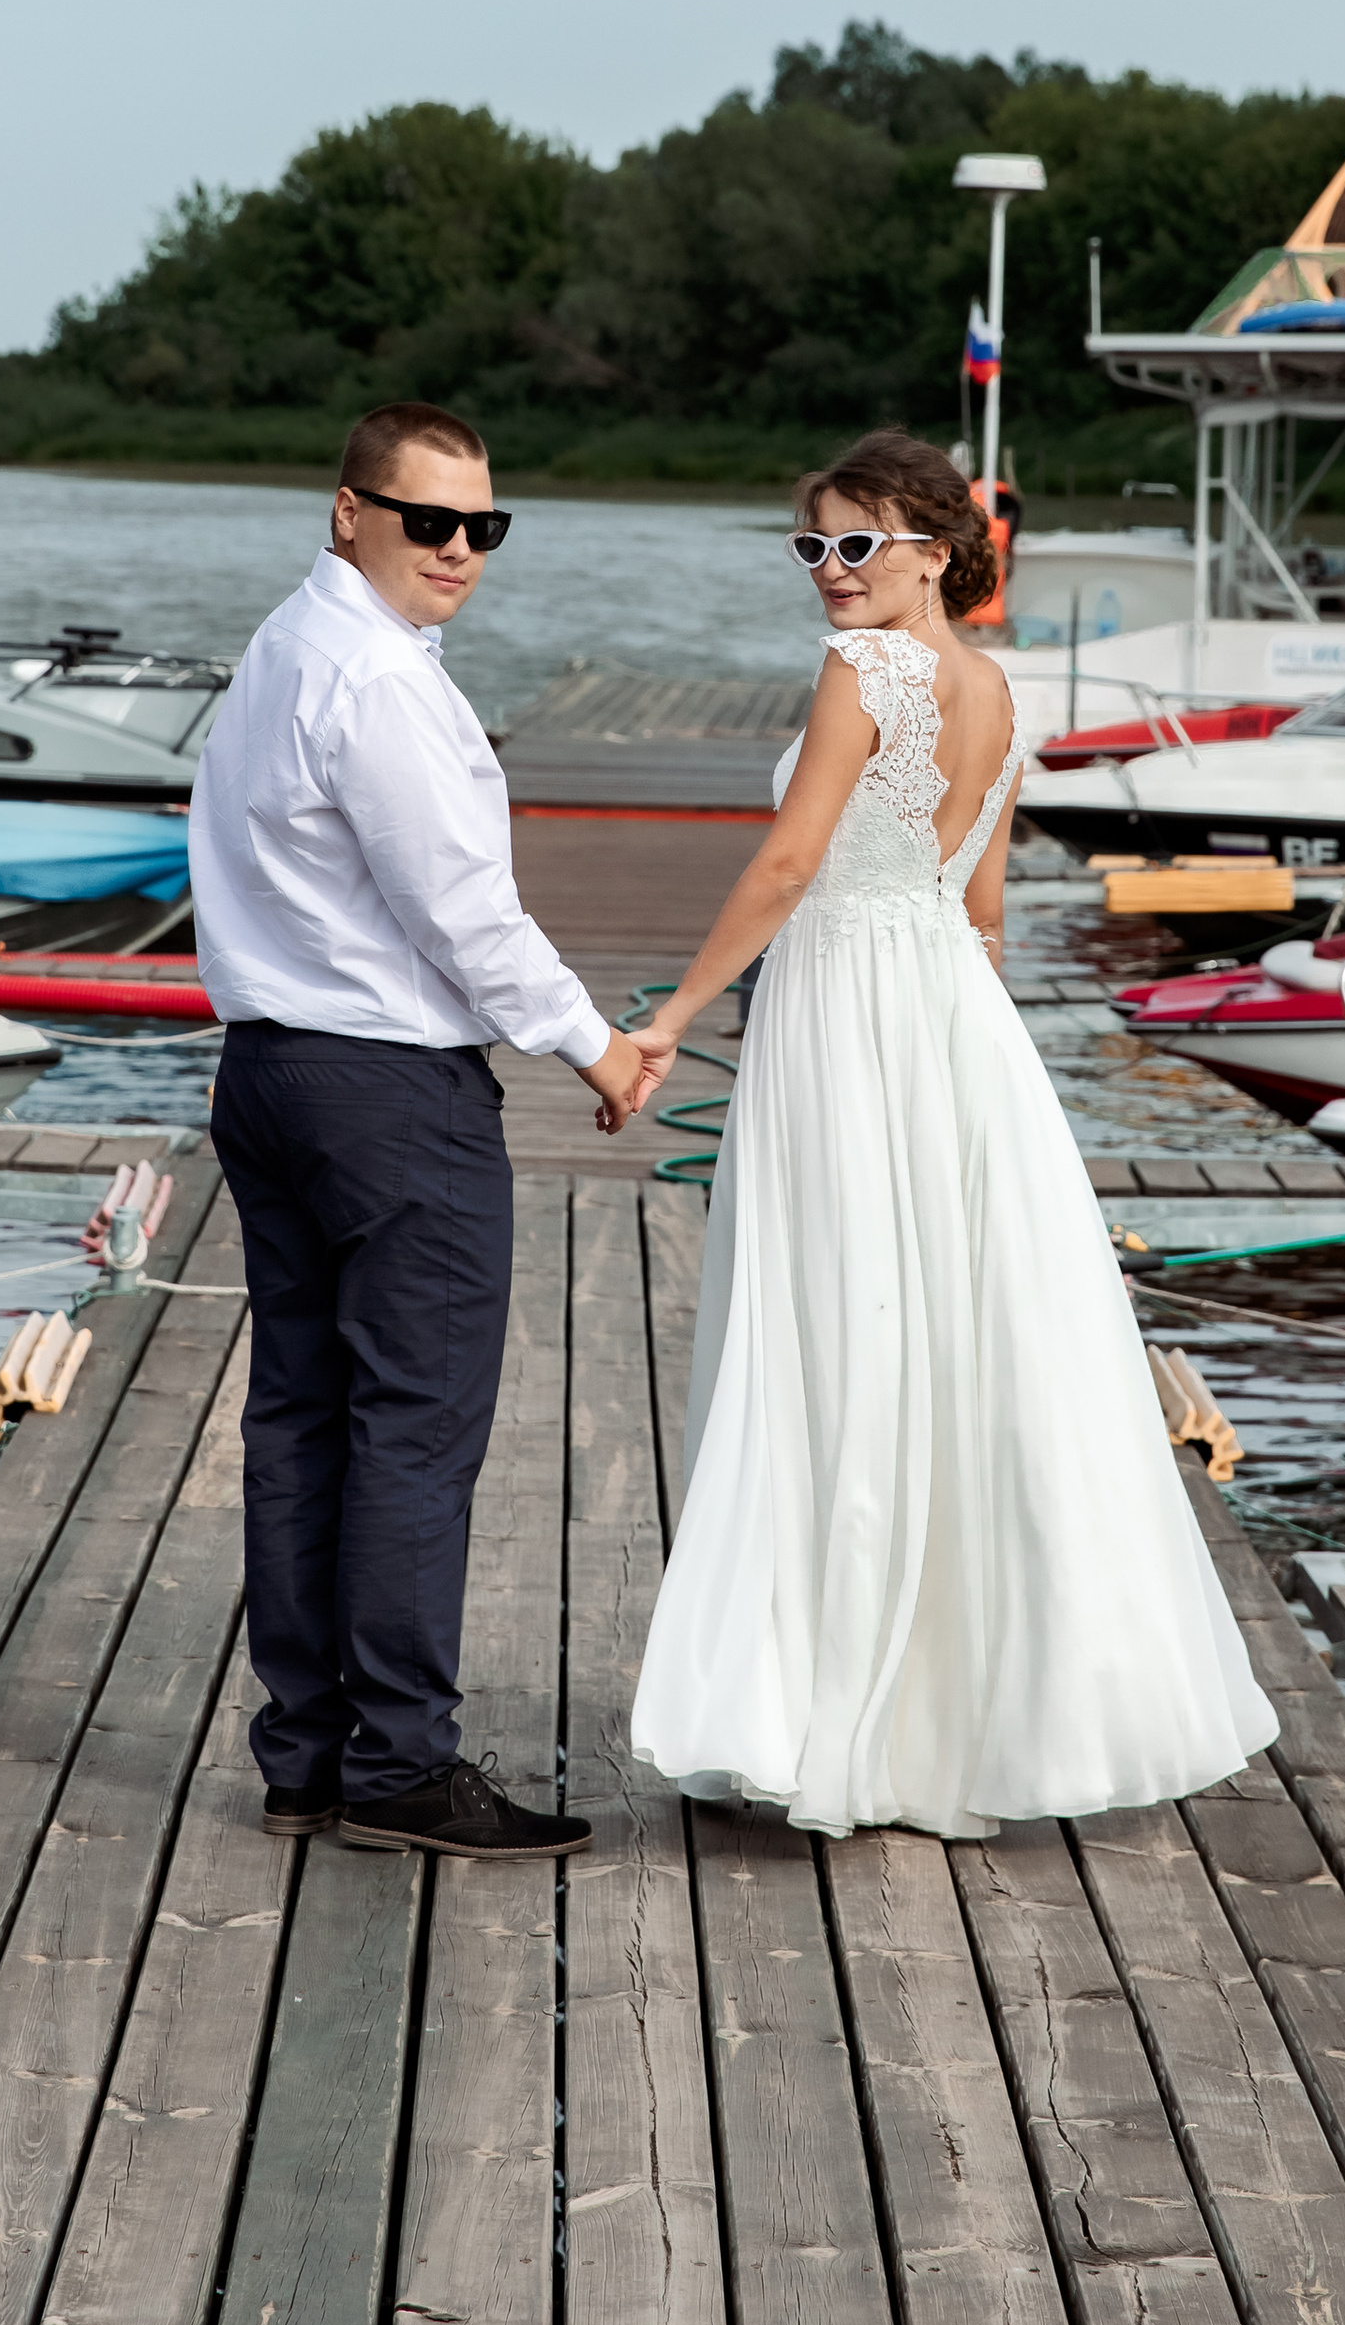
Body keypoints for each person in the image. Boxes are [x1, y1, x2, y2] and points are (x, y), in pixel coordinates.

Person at [627, 428, 1277, 1837]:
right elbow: (982, 915)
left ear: (933, 548)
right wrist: (965, 1082)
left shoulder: (868, 672)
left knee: (829, 1332)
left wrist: (676, 1012)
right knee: (940, 1335)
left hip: (847, 1006)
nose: (829, 573)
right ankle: (927, 1716)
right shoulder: (998, 691)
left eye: (855, 543)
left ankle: (811, 1715)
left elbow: (795, 860)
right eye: (811, 546)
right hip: (943, 1019)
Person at [191, 402, 657, 1859]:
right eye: (429, 521)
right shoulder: (378, 680)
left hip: (269, 1069)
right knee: (413, 1425)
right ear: (350, 511)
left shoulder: (283, 648)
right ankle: (395, 1765)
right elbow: (461, 912)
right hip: (387, 1092)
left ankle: (309, 1755)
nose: (460, 550)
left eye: (484, 526)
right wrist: (596, 1041)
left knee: (304, 1413)